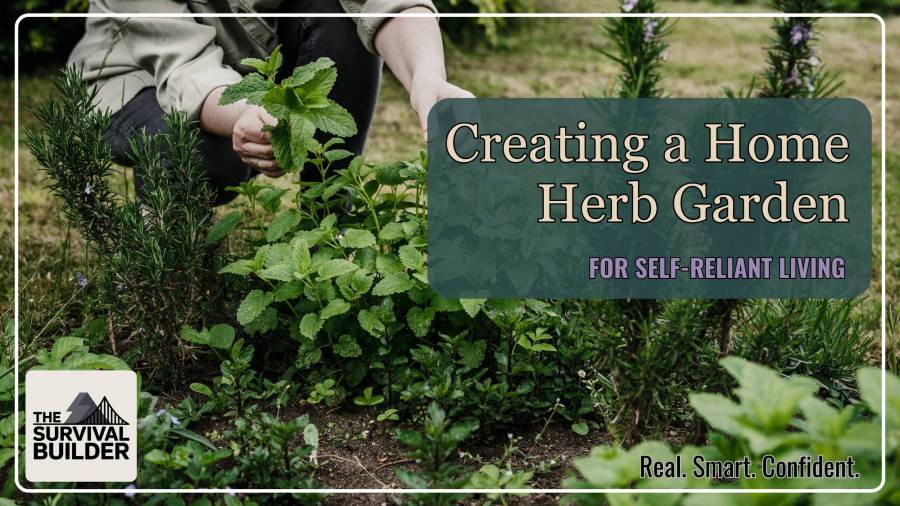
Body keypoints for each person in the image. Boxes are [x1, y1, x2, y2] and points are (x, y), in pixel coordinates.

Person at [69, 0, 474, 204]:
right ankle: (163, 264)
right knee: (206, 151)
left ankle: (330, 225)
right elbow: (184, 71)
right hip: (135, 82)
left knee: (340, 16)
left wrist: (427, 75)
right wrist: (247, 115)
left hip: (250, 66)